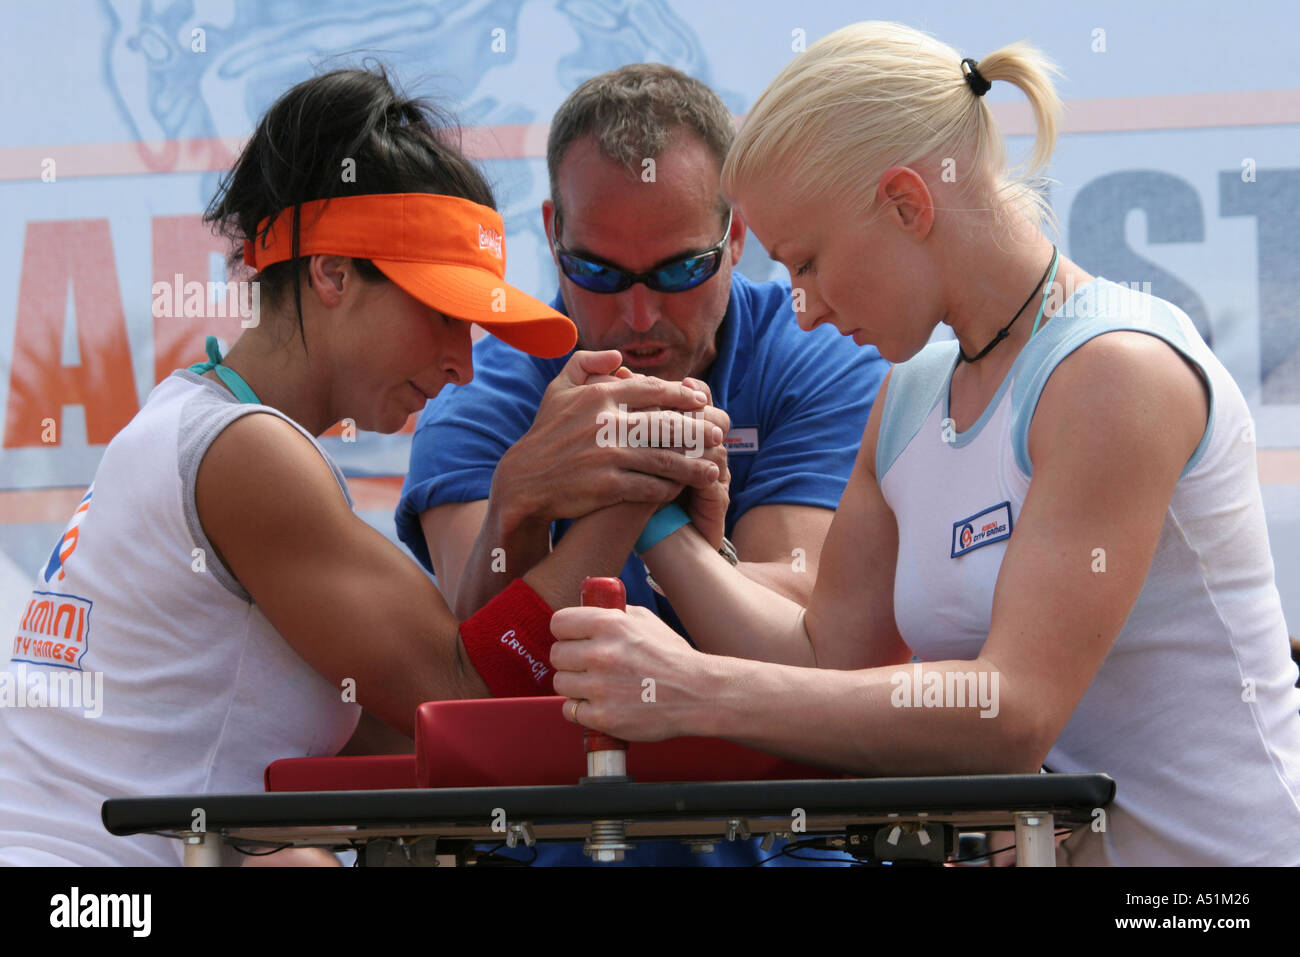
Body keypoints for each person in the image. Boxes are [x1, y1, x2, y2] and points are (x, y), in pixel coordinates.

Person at [548, 22, 1300, 866]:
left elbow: (1010, 715)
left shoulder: (1115, 372)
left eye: (808, 263)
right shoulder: (910, 392)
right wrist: (651, 513)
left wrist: (695, 689)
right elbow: (824, 661)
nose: (803, 306)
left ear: (909, 203)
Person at [0, 66, 723, 866]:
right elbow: (465, 700)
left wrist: (520, 505)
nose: (463, 365)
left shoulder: (200, 425)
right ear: (333, 272)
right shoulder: (248, 453)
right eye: (443, 313)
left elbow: (437, 737)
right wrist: (640, 475)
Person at [398, 64, 888, 866]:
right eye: (597, 272)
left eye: (679, 271)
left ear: (735, 236)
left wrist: (630, 499)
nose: (638, 316)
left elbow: (807, 636)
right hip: (550, 843)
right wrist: (523, 499)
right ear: (553, 234)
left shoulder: (819, 356)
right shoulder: (480, 393)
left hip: (783, 841)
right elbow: (477, 676)